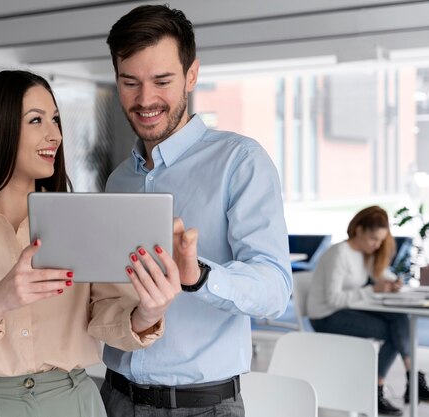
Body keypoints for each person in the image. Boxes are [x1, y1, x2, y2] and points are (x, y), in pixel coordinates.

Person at [0, 70, 188, 417]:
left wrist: (148, 312)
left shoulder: (81, 219)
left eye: (55, 119)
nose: (54, 134)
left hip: (74, 403)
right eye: (36, 120)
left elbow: (106, 314)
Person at [94, 5, 292, 416]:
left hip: (203, 407)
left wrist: (199, 276)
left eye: (162, 81)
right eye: (130, 82)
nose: (145, 99)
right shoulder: (118, 181)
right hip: (114, 399)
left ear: (192, 75)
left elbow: (275, 289)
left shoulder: (240, 161)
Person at [306, 205, 429, 416]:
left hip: (349, 309)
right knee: (393, 331)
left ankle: (406, 380)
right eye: (374, 239)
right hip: (326, 315)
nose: (377, 245)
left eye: (381, 240)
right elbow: (333, 299)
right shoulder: (339, 254)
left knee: (399, 318)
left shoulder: (365, 253)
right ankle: (383, 388)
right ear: (359, 230)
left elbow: (382, 274)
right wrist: (372, 289)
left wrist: (394, 283)